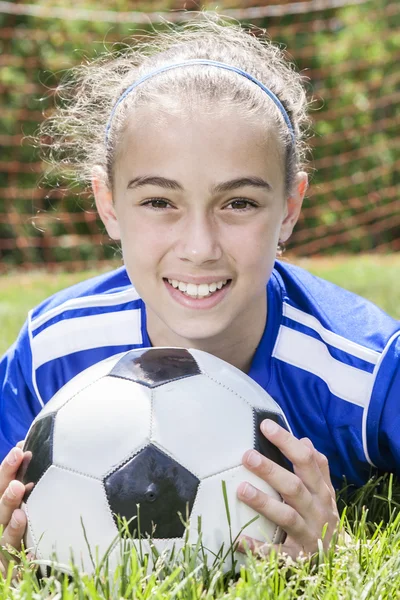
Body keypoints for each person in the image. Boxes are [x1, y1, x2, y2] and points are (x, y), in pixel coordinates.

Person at [0, 14, 399, 573]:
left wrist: (343, 554)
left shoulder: (364, 373)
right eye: (160, 202)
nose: (199, 246)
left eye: (238, 203)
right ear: (108, 204)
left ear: (289, 207)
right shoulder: (54, 351)